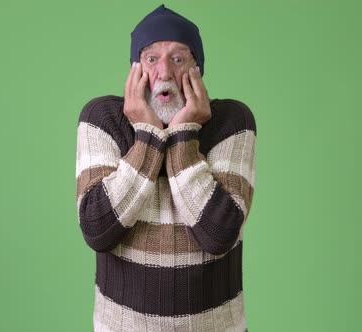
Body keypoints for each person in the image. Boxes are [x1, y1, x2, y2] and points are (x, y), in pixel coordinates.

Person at [75, 4, 256, 331]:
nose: (164, 73)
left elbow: (219, 234)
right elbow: (97, 228)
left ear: (197, 70)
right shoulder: (101, 120)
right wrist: (147, 135)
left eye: (178, 58)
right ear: (135, 68)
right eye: (151, 58)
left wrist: (184, 134)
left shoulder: (233, 123)